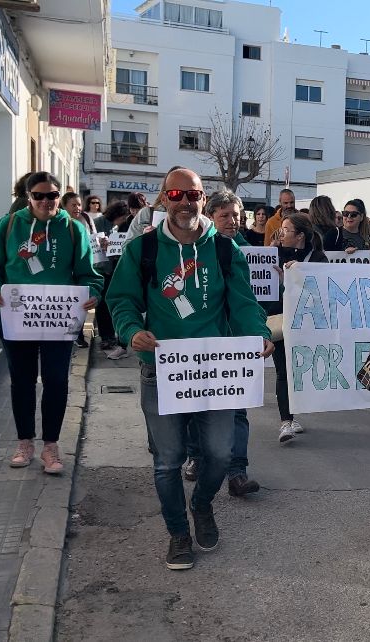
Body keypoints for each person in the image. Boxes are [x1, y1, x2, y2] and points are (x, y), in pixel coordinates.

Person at [107, 168, 271, 571]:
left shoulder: (224, 251)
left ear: (203, 200)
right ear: (163, 199)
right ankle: (178, 533)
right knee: (168, 460)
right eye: (176, 194)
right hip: (161, 370)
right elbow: (122, 299)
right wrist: (132, 330)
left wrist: (258, 333)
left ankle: (201, 505)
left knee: (219, 453)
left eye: (193, 195)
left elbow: (244, 302)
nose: (185, 202)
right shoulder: (142, 250)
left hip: (215, 369)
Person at [0, 171, 103, 474]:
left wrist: (93, 293)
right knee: (22, 381)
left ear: (60, 196)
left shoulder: (73, 230)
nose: (46, 201)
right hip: (15, 316)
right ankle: (24, 442)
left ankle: (51, 446)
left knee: (57, 380)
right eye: (39, 195)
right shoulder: (7, 226)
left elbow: (88, 273)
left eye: (52, 195)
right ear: (28, 196)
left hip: (58, 320)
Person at [181, 189, 262, 497]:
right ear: (209, 216)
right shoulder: (196, 249)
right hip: (200, 342)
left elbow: (249, 301)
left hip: (234, 344)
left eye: (237, 216)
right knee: (194, 403)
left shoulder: (241, 249)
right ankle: (196, 456)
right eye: (225, 215)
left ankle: (237, 472)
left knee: (237, 409)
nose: (233, 221)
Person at [269, 212, 328, 442]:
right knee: (283, 371)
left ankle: (293, 416)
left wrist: (296, 278)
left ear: (300, 235)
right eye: (281, 229)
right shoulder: (275, 254)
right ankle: (286, 421)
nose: (281, 234)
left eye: (286, 230)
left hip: (306, 323)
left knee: (299, 371)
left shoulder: (319, 259)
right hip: (280, 320)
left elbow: (320, 292)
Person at [61, 192, 99, 349]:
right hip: (67, 273)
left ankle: (77, 333)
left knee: (81, 303)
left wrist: (101, 243)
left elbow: (94, 239)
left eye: (79, 204)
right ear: (64, 206)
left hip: (85, 267)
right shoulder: (60, 226)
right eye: (73, 205)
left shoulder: (86, 219)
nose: (77, 208)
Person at [98, 202, 133, 360]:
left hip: (113, 268)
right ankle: (107, 336)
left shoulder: (120, 227)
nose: (124, 220)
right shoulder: (100, 223)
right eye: (123, 217)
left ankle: (112, 336)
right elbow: (94, 243)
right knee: (103, 305)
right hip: (103, 269)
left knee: (112, 304)